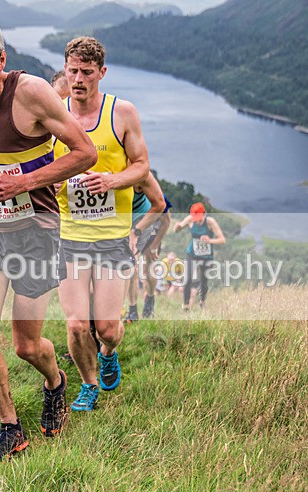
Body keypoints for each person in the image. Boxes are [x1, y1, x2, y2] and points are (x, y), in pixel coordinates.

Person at [0, 14, 97, 463]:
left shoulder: (31, 93)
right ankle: (11, 428)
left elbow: (84, 153)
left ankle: (55, 383)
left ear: (0, 60)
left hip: (36, 232)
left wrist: (24, 182)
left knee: (27, 345)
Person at [54, 36, 150, 411]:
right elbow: (39, 167)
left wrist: (111, 180)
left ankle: (108, 352)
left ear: (102, 73)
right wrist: (54, 180)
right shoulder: (53, 114)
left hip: (112, 236)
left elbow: (142, 166)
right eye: (72, 71)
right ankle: (88, 384)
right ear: (65, 69)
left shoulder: (122, 113)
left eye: (87, 72)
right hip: (69, 236)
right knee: (77, 325)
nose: (78, 79)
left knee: (106, 328)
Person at [123, 174, 171, 322]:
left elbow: (166, 221)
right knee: (132, 268)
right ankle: (132, 312)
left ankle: (150, 300)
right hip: (131, 228)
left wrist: (155, 245)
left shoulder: (154, 192)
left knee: (148, 274)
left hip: (153, 233)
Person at [172, 202, 226, 310]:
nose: (197, 221)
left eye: (199, 219)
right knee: (187, 277)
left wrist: (209, 240)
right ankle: (186, 305)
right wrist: (177, 227)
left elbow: (222, 240)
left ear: (204, 214)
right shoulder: (190, 219)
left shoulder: (211, 222)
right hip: (192, 253)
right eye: (195, 218)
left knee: (203, 282)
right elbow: (178, 229)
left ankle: (202, 301)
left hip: (206, 256)